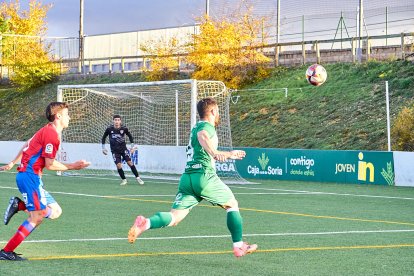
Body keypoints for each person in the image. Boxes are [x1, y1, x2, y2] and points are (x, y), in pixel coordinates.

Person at [127, 97, 257, 257]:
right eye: (217, 111)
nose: (218, 114)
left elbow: (200, 137)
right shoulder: (206, 127)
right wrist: (218, 153)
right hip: (204, 176)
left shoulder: (195, 127)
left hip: (188, 178)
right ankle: (239, 246)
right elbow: (203, 136)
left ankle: (145, 224)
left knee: (174, 217)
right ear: (213, 111)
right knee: (232, 204)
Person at [0, 102, 90, 261]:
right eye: (67, 114)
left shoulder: (47, 129)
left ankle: (19, 205)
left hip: (32, 178)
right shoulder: (51, 135)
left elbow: (28, 144)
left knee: (55, 211)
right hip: (30, 177)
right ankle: (6, 251)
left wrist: (13, 162)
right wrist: (73, 166)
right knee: (37, 217)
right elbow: (49, 164)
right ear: (59, 116)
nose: (69, 117)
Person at [101, 115, 144, 185]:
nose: (117, 121)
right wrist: (103, 148)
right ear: (113, 121)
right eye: (115, 120)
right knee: (118, 165)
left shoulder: (124, 129)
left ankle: (138, 178)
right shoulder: (109, 129)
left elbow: (130, 136)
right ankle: (124, 180)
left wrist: (132, 147)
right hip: (114, 151)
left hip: (123, 149)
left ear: (120, 121)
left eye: (118, 120)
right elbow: (103, 138)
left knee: (130, 163)